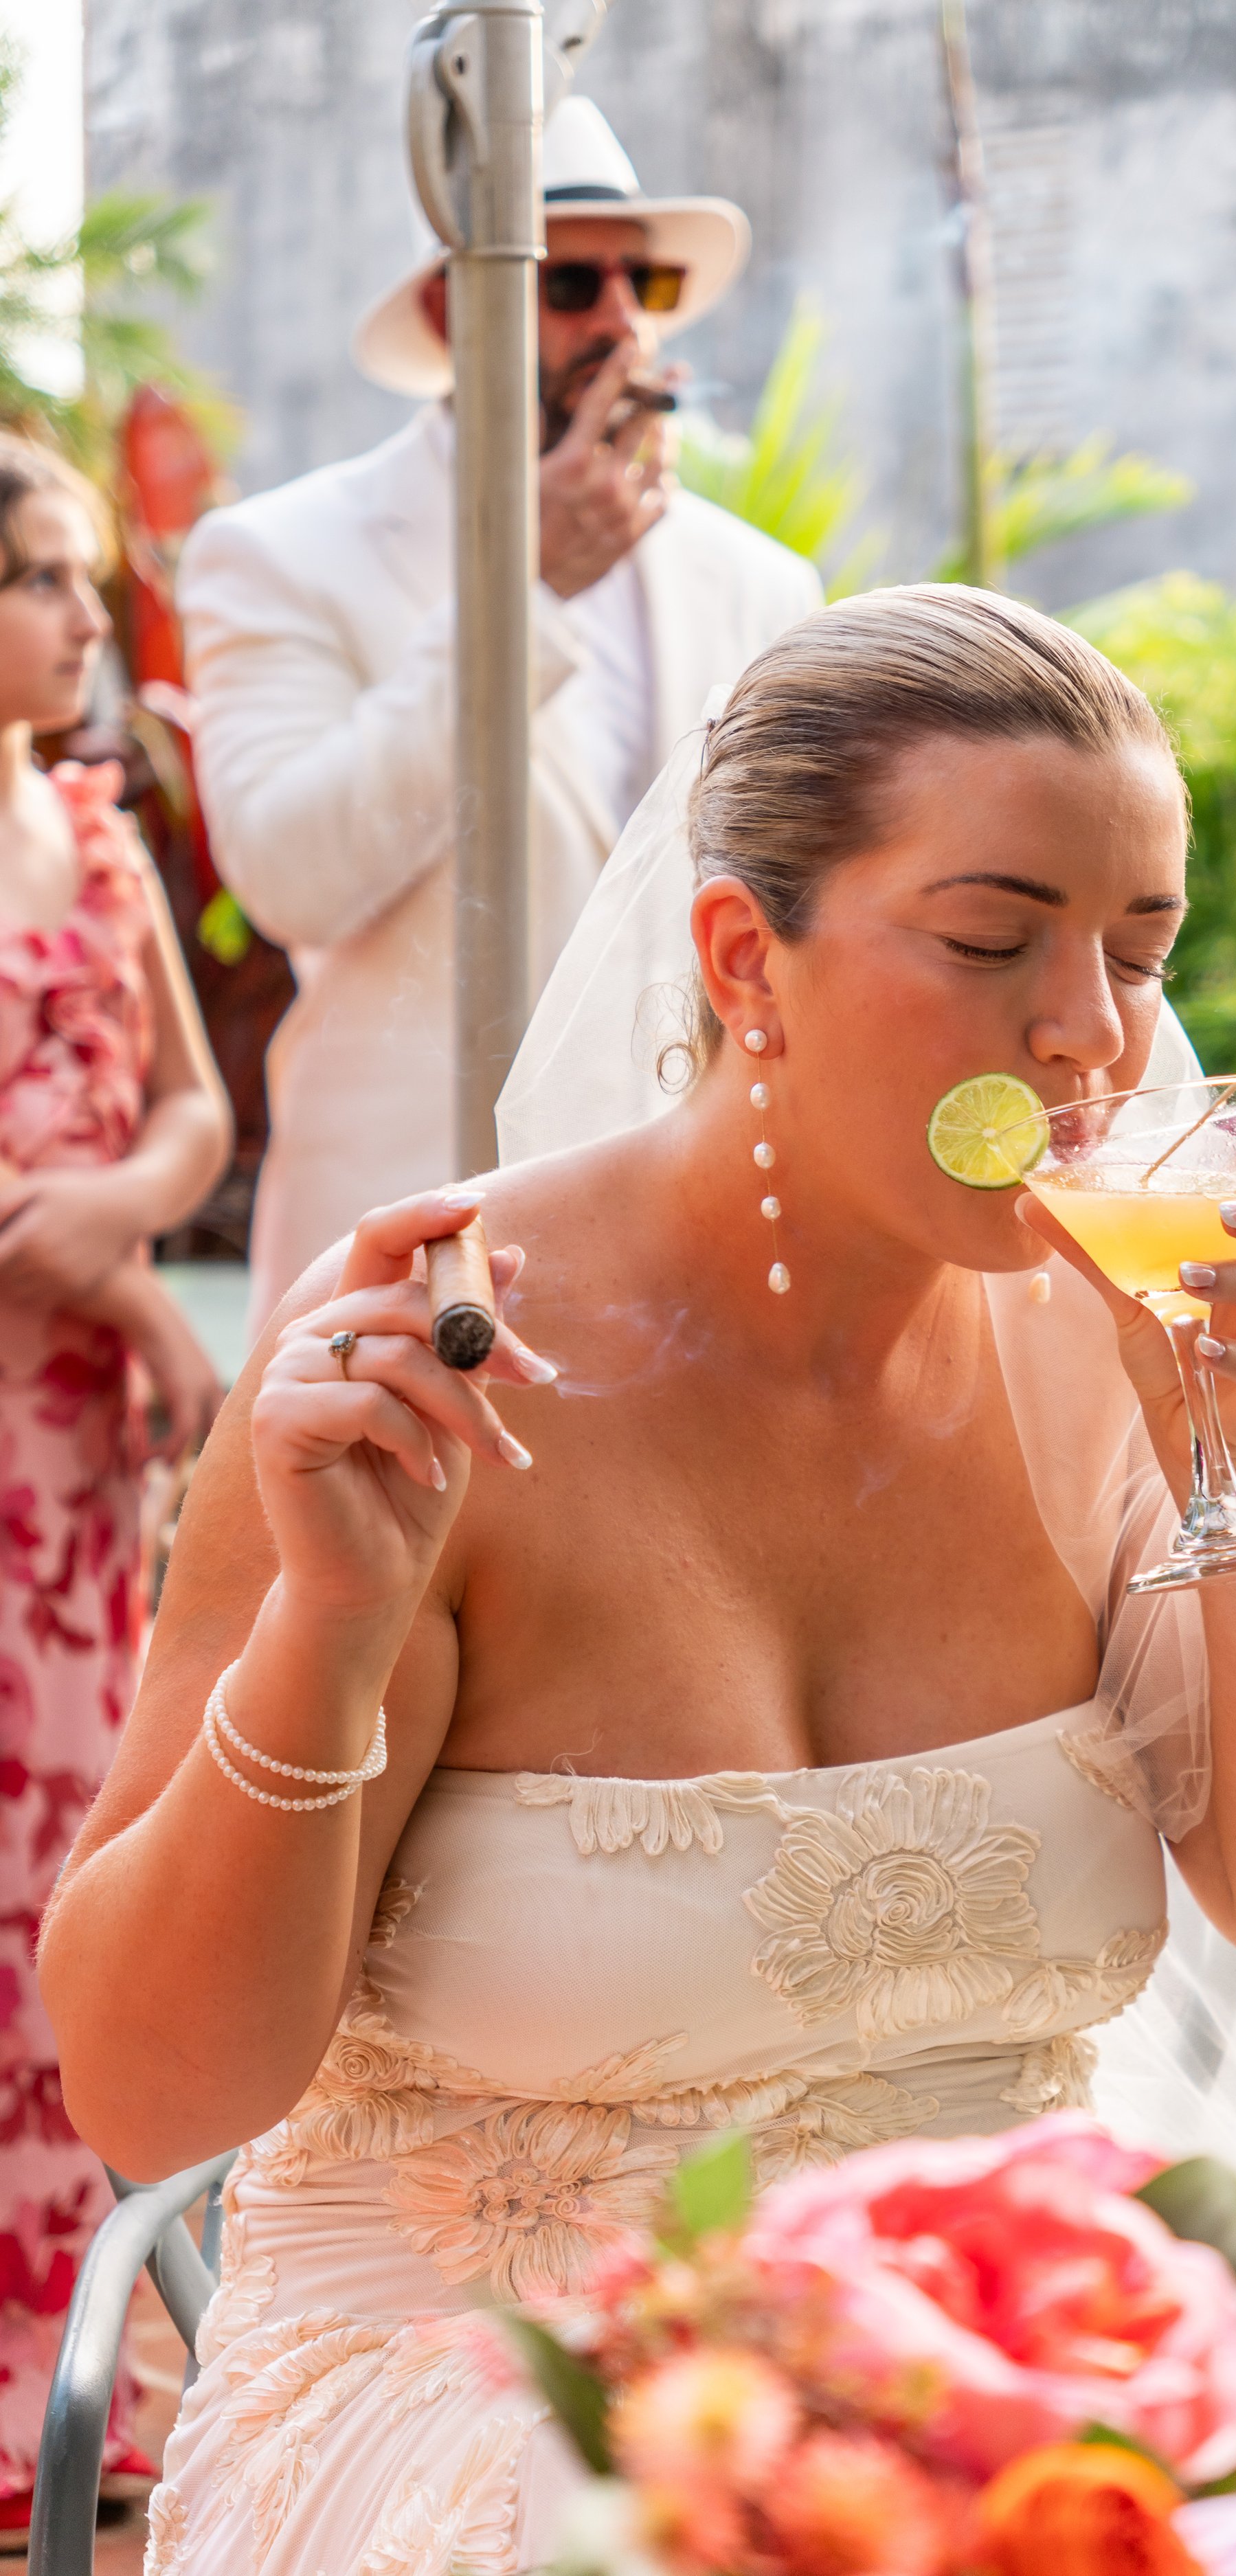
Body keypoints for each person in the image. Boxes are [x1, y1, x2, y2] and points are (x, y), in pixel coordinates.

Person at [41, 592, 1236, 2573]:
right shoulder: (432, 1358)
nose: (1090, 1034)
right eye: (989, 941)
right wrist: (331, 1628)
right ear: (738, 958)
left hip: (990, 2380)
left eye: (1139, 953)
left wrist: (1233, 1463)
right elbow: (153, 2082)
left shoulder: (1110, 1344)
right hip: (488, 2399)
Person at [177, 95, 822, 1335]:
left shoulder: (760, 582)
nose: (627, 322)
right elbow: (291, 878)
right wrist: (523, 596)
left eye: (652, 281)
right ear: (449, 308)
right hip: (408, 1236)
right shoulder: (276, 552)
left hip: (697, 1249)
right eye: (576, 282)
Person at [0, 437, 231, 2529]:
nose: (94, 619)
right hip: (34, 1392)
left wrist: (117, 1233)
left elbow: (192, 1106)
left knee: (77, 1877)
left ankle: (81, 2359)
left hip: (74, 1453)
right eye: (55, 581)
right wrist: (96, 1262)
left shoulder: (101, 833)